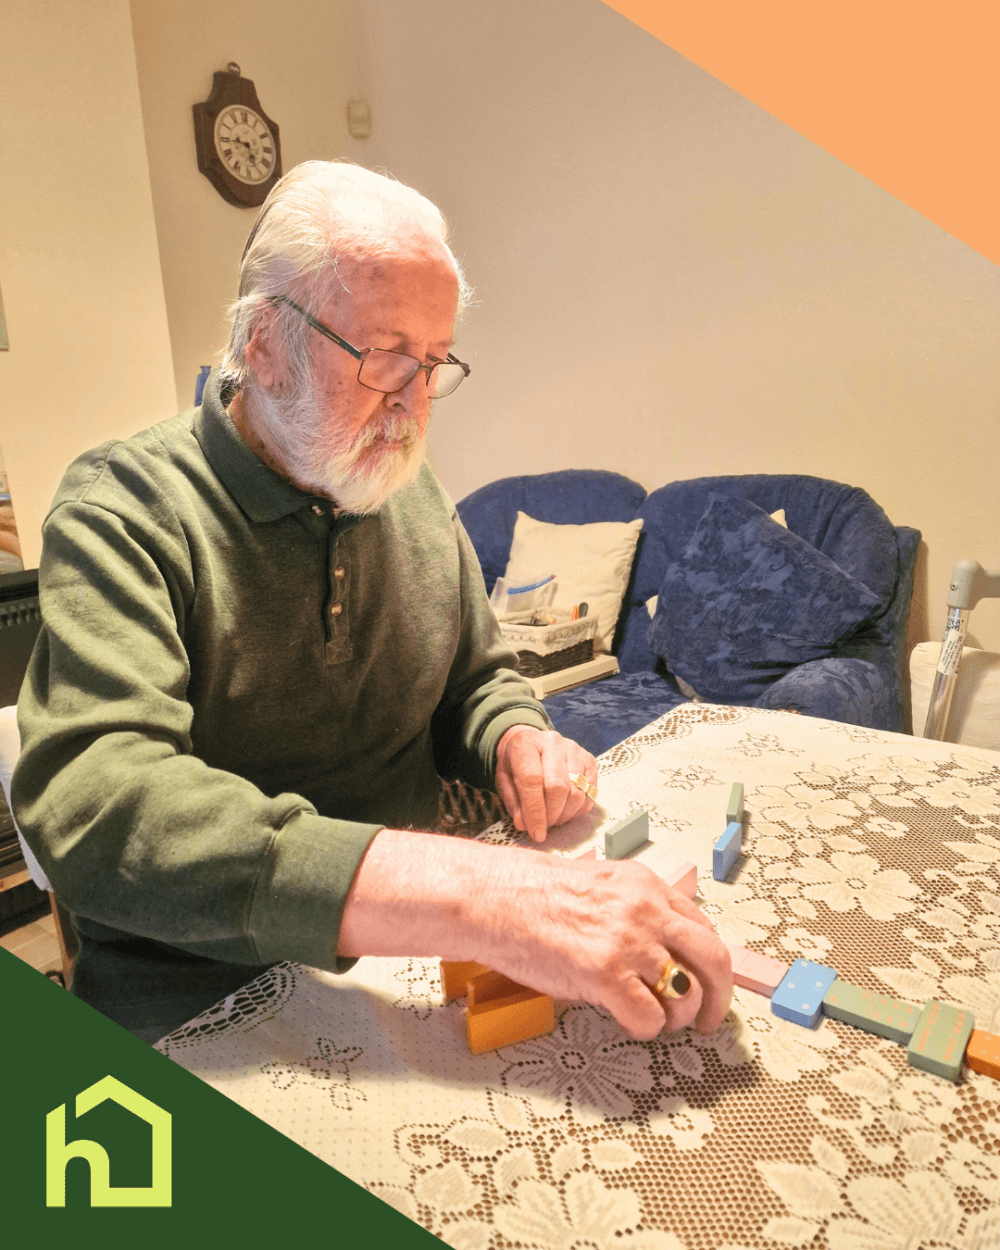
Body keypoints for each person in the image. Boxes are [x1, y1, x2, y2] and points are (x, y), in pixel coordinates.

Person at [12, 161, 731, 1044]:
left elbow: (478, 675)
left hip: (409, 957)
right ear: (265, 342)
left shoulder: (402, 480)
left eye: (436, 363)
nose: (417, 403)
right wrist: (477, 896)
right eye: (387, 358)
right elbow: (101, 805)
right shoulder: (124, 508)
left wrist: (514, 736)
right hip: (202, 995)